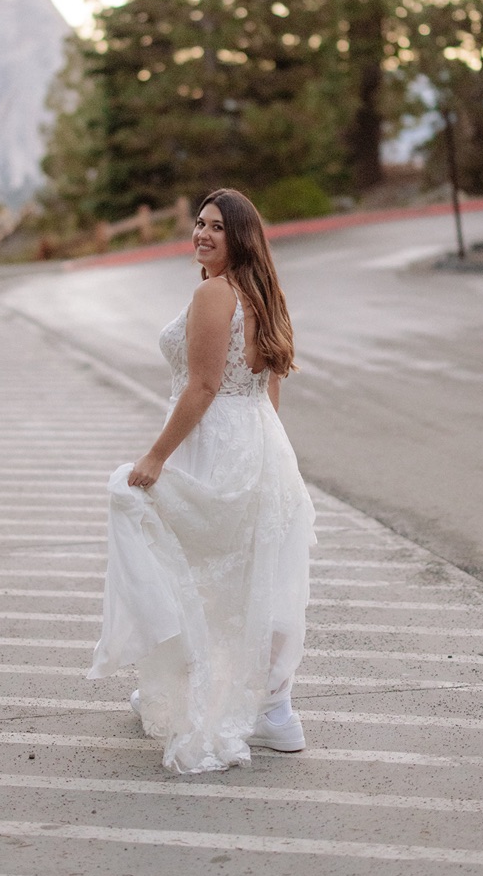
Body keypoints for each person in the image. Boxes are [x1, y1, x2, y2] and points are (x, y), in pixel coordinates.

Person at [87, 187, 316, 774]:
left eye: (216, 226)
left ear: (240, 236)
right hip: (259, 441)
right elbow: (269, 386)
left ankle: (191, 690)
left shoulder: (215, 293)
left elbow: (204, 385)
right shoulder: (263, 292)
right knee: (249, 575)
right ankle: (273, 708)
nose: (202, 234)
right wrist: (263, 454)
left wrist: (156, 456)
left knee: (176, 557)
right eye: (199, 223)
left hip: (213, 442)